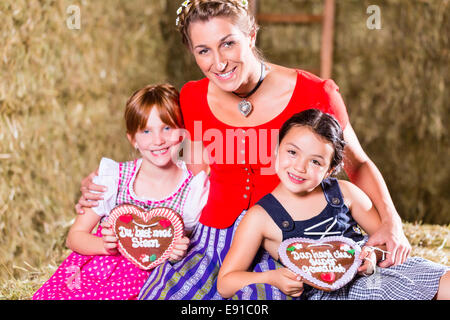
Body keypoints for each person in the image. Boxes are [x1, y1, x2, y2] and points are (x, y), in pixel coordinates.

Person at [76, 0, 411, 299]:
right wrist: (111, 185)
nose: (219, 63)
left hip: (287, 242)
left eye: (228, 44)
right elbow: (184, 167)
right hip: (212, 245)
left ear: (251, 35)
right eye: (203, 50)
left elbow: (358, 163)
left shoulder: (315, 93)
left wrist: (392, 222)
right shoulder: (191, 98)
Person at [217, 109, 450, 300]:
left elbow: (384, 242)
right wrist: (272, 278)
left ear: (330, 170)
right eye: (292, 152)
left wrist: (372, 256)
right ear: (276, 150)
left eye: (316, 161)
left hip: (378, 274)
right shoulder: (260, 217)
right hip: (333, 294)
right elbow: (226, 282)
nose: (299, 167)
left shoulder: (344, 193)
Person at [33, 84, 209, 300]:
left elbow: (193, 244)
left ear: (182, 133)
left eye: (167, 128)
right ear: (132, 139)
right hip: (99, 274)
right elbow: (74, 237)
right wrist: (105, 246)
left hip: (149, 283)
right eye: (146, 131)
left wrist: (176, 253)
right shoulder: (113, 178)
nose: (158, 140)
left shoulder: (192, 188)